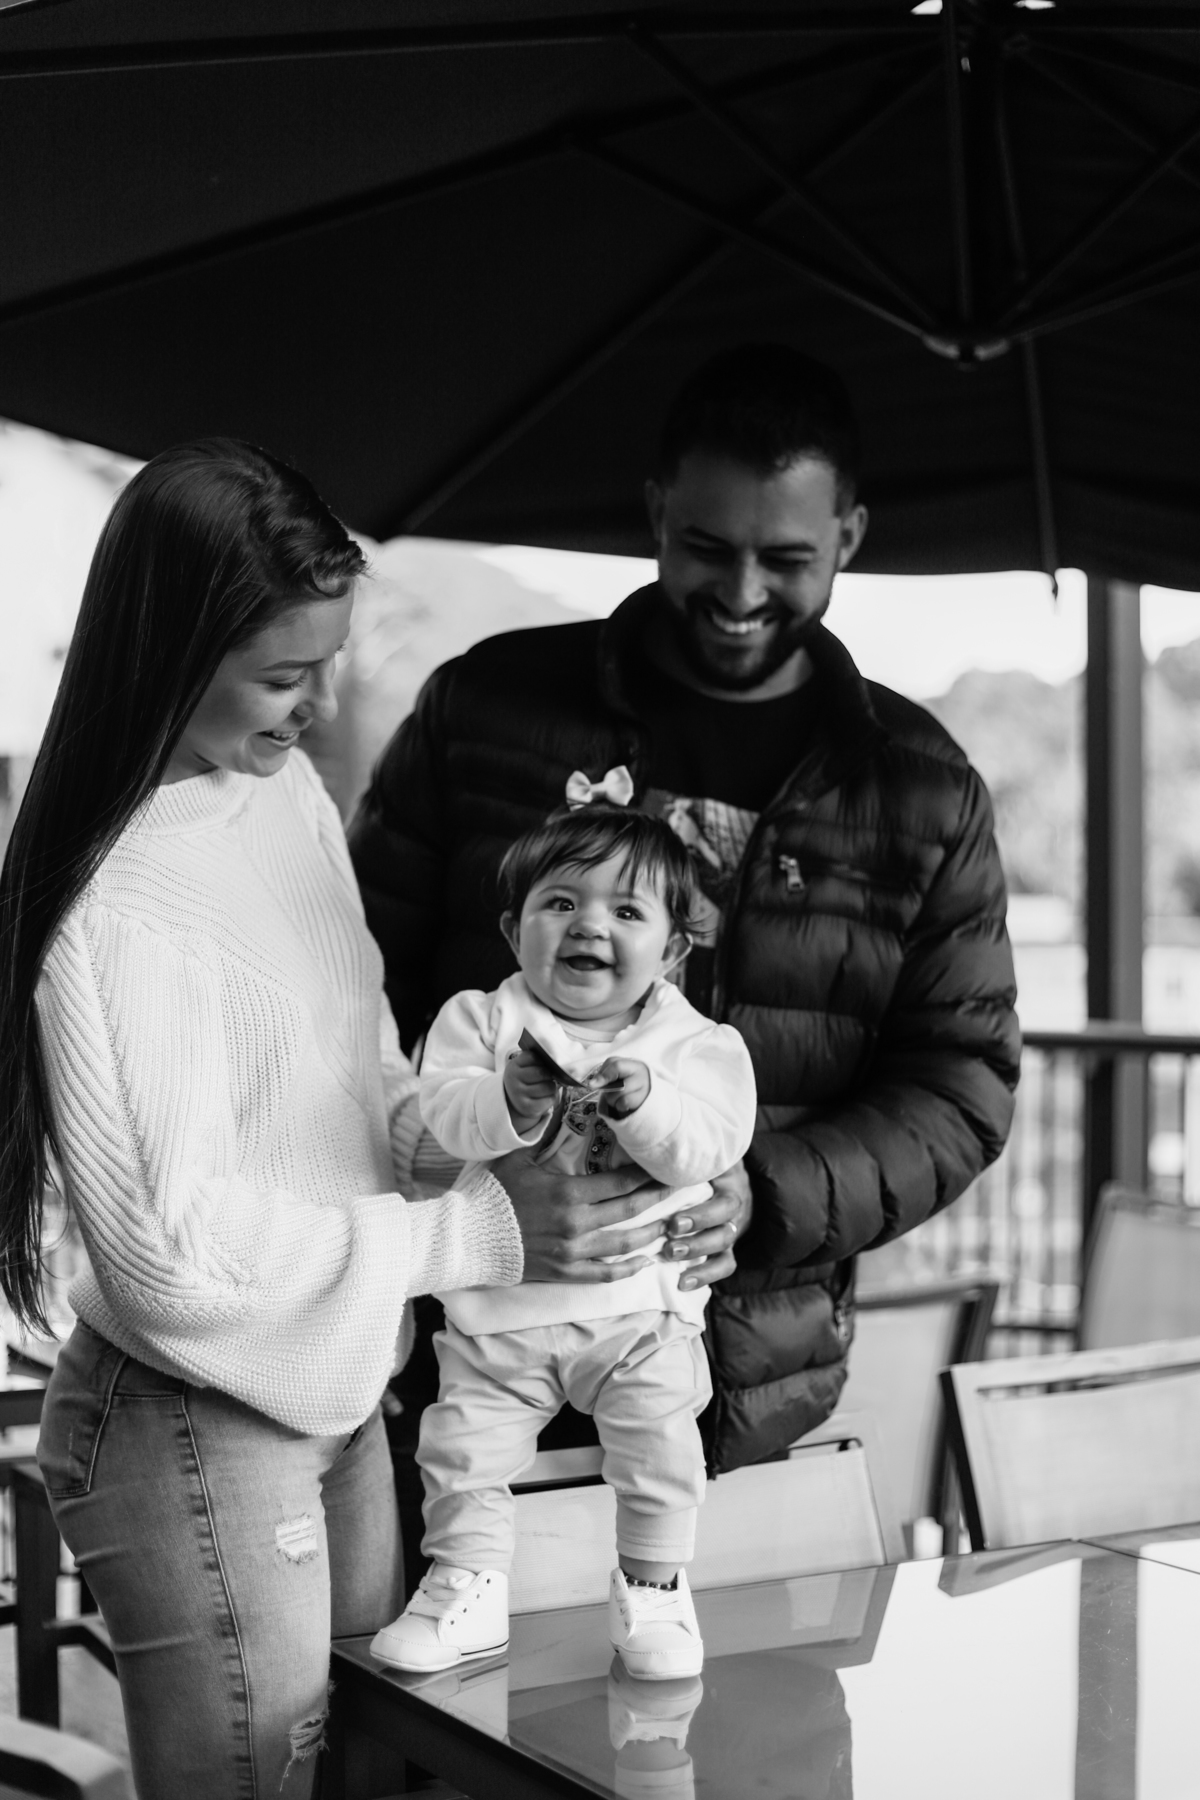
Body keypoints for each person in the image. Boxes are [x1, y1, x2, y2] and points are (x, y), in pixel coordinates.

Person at [0, 439, 685, 1799]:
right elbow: (175, 1257)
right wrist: (477, 1234)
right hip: (190, 1414)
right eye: (281, 676)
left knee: (384, 1772)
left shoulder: (286, 797)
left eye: (328, 664)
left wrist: (502, 1125)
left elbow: (362, 1082)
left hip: (338, 1381)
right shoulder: (111, 904)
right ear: (168, 653)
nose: (318, 707)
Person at [349, 342, 1020, 1485]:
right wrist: (461, 1191)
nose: (743, 594)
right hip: (473, 1354)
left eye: (787, 558)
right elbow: (352, 997)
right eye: (708, 547)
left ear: (849, 536)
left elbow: (962, 1086)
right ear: (657, 511)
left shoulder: (923, 789)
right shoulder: (485, 708)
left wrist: (767, 1193)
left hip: (744, 1385)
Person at [369, 798, 755, 1680]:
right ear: (515, 931)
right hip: (499, 1313)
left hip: (639, 1310)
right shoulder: (480, 1021)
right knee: (461, 1452)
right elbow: (445, 1119)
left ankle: (654, 1590)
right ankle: (464, 1587)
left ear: (673, 949)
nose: (590, 924)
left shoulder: (697, 1044)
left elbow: (712, 1146)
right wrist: (508, 1098)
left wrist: (647, 1104)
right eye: (561, 902)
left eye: (626, 910)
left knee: (661, 1451)